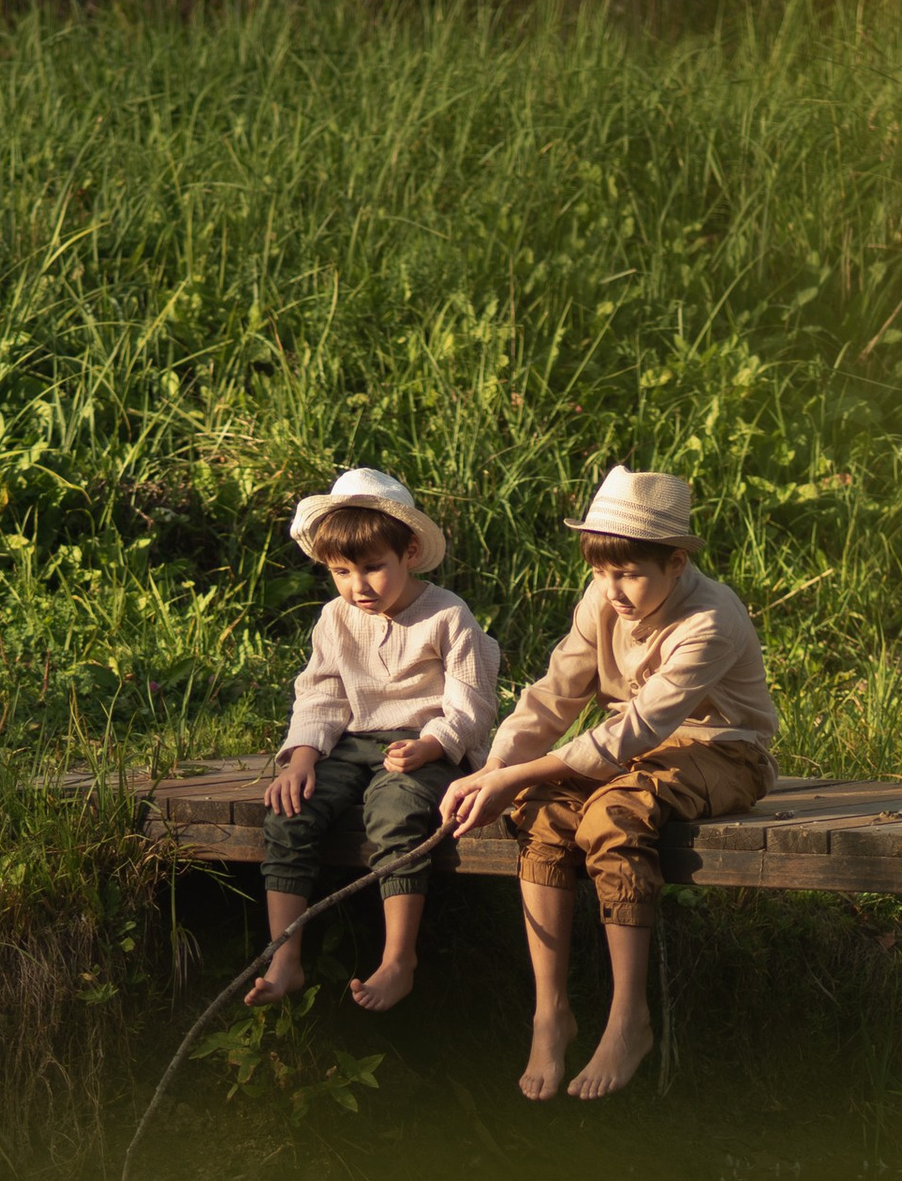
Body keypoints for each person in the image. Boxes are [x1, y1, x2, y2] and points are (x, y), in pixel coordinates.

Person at [437, 466, 777, 1102]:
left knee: (613, 815)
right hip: (631, 747)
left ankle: (628, 1020)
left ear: (676, 563)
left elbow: (639, 729)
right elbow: (553, 696)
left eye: (628, 574)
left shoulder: (711, 619)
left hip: (723, 751)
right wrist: (495, 770)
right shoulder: (602, 601)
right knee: (541, 813)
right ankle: (550, 1013)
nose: (612, 589)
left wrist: (516, 774)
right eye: (599, 571)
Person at [253, 467, 499, 1016]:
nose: (357, 586)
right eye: (341, 572)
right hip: (352, 741)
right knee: (290, 811)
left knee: (395, 812)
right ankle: (285, 958)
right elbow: (321, 693)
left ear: (408, 552)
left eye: (372, 568)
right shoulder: (335, 618)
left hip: (424, 745)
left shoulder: (447, 614)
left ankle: (398, 958)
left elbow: (473, 702)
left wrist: (433, 744)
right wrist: (302, 757)